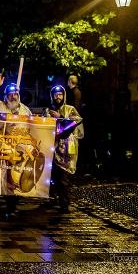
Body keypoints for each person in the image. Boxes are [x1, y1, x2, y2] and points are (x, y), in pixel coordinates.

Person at [0, 75, 32, 219]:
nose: (13, 96)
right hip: (5, 148)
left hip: (20, 149)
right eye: (10, 93)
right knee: (7, 178)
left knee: (18, 176)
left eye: (15, 93)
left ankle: (13, 205)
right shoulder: (0, 106)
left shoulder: (26, 110)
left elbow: (32, 125)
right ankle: (10, 205)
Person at [44, 85, 83, 213]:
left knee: (63, 179)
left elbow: (76, 122)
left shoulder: (70, 109)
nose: (58, 97)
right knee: (51, 177)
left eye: (60, 94)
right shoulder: (47, 111)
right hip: (51, 149)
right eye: (55, 95)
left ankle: (64, 203)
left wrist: (60, 116)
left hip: (65, 150)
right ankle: (52, 199)